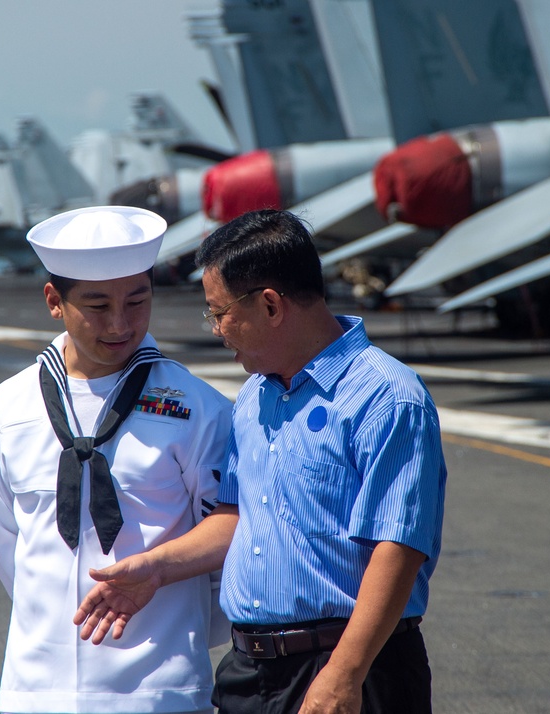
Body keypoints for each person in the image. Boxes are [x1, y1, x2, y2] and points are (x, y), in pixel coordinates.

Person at [74, 209, 447, 714]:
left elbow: (398, 548)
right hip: (251, 672)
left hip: (350, 668)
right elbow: (237, 516)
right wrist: (155, 569)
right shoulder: (254, 398)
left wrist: (344, 675)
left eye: (220, 312)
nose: (217, 330)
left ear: (270, 305)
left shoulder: (385, 396)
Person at [0, 205, 233, 714]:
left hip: (162, 689)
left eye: (137, 301)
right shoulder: (6, 411)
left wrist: (182, 627)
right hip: (35, 690)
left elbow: (228, 541)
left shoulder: (198, 409)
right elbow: (5, 541)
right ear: (54, 301)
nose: (120, 323)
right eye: (97, 306)